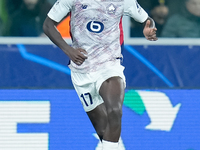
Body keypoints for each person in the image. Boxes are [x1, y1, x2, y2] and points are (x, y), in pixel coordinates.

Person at [43, 0, 157, 149]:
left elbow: (147, 20)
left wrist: (149, 28)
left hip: (109, 65)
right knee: (103, 132)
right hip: (82, 72)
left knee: (115, 111)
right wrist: (68, 50)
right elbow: (47, 25)